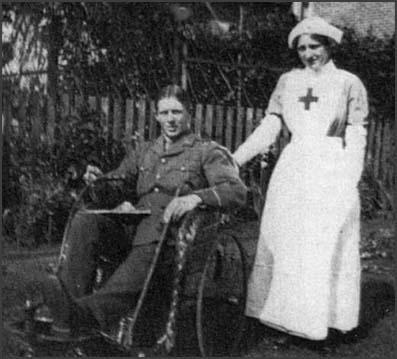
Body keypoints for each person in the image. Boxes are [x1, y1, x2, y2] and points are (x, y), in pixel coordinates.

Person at [44, 84, 247, 338]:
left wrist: (195, 197)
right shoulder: (145, 151)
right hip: (135, 226)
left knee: (154, 231)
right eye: (164, 113)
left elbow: (236, 190)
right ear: (156, 115)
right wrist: (98, 180)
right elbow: (118, 184)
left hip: (171, 233)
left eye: (177, 112)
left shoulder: (205, 151)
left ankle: (89, 315)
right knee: (85, 222)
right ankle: (68, 306)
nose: (170, 119)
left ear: (189, 114)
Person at [233, 17, 368, 341]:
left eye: (315, 46)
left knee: (323, 243)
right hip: (294, 169)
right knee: (287, 242)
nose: (308, 54)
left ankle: (328, 322)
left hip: (331, 167)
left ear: (329, 45)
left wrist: (348, 179)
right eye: (302, 48)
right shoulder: (288, 81)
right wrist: (236, 158)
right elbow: (271, 126)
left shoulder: (349, 82)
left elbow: (357, 134)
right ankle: (283, 319)